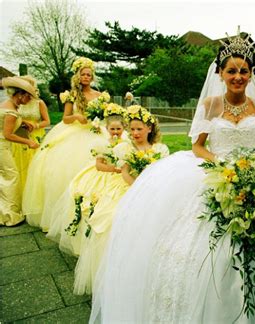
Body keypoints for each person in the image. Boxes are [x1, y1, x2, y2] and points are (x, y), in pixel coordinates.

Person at [90, 31, 255, 323]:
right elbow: (198, 146)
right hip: (217, 172)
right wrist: (222, 166)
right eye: (231, 71)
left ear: (251, 74)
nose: (238, 76)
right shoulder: (211, 105)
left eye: (244, 71)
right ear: (220, 73)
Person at [74, 105, 169, 295]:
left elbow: (162, 173)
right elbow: (124, 172)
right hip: (127, 185)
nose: (134, 133)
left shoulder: (160, 148)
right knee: (113, 219)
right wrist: (138, 188)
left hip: (152, 187)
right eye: (132, 129)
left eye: (139, 129)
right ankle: (114, 276)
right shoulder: (124, 147)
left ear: (149, 128)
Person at [23, 57, 109, 232]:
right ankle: (63, 215)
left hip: (95, 132)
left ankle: (96, 209)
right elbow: (66, 118)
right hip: (75, 133)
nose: (86, 77)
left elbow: (106, 116)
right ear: (78, 75)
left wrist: (98, 122)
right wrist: (77, 117)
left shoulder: (100, 96)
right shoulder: (72, 95)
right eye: (83, 74)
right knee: (63, 171)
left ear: (92, 77)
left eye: (89, 75)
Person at [46, 104, 128, 256]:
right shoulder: (102, 143)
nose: (115, 132)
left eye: (118, 129)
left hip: (121, 174)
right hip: (106, 173)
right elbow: (99, 166)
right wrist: (114, 169)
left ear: (124, 128)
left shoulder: (127, 143)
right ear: (107, 129)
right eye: (112, 129)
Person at [0, 76, 39, 226]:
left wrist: (23, 122)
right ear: (20, 94)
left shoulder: (9, 106)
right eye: (28, 96)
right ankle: (10, 216)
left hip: (3, 146)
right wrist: (28, 142)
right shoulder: (11, 112)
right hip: (2, 146)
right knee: (12, 177)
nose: (29, 100)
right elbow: (8, 134)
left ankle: (5, 212)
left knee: (6, 177)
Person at [11, 75, 50, 198]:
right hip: (20, 136)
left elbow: (47, 121)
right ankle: (20, 195)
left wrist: (35, 125)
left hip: (36, 135)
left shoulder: (39, 103)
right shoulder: (17, 103)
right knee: (19, 166)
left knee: (35, 166)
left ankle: (35, 196)